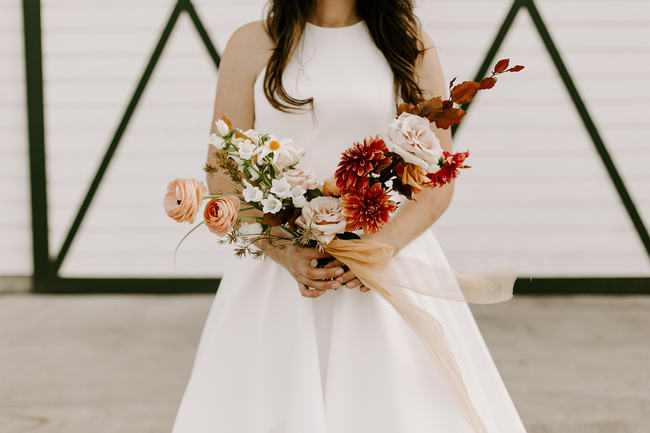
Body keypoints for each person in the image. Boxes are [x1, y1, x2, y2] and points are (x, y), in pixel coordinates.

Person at [171, 1, 528, 432]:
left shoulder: (409, 45)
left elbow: (438, 180)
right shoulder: (252, 43)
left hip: (383, 264)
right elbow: (221, 172)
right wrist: (286, 252)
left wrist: (376, 250)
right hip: (277, 276)